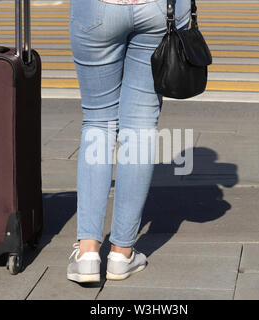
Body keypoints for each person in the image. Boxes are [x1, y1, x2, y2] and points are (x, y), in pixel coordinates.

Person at [67, 0, 191, 283]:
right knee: (140, 126)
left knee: (98, 122)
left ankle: (87, 254)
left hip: (96, 10)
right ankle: (122, 255)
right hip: (162, 9)